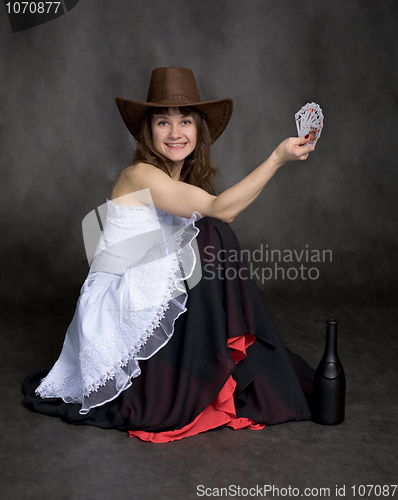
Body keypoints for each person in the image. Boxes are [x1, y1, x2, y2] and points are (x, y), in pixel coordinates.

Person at [22, 67, 316, 443]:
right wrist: (276, 158)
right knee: (212, 232)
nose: (175, 133)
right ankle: (214, 376)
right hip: (113, 302)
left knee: (211, 239)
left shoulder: (180, 182)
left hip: (144, 288)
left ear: (198, 131)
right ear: (149, 131)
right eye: (163, 122)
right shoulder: (140, 174)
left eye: (186, 122)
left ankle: (220, 374)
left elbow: (219, 213)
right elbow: (222, 209)